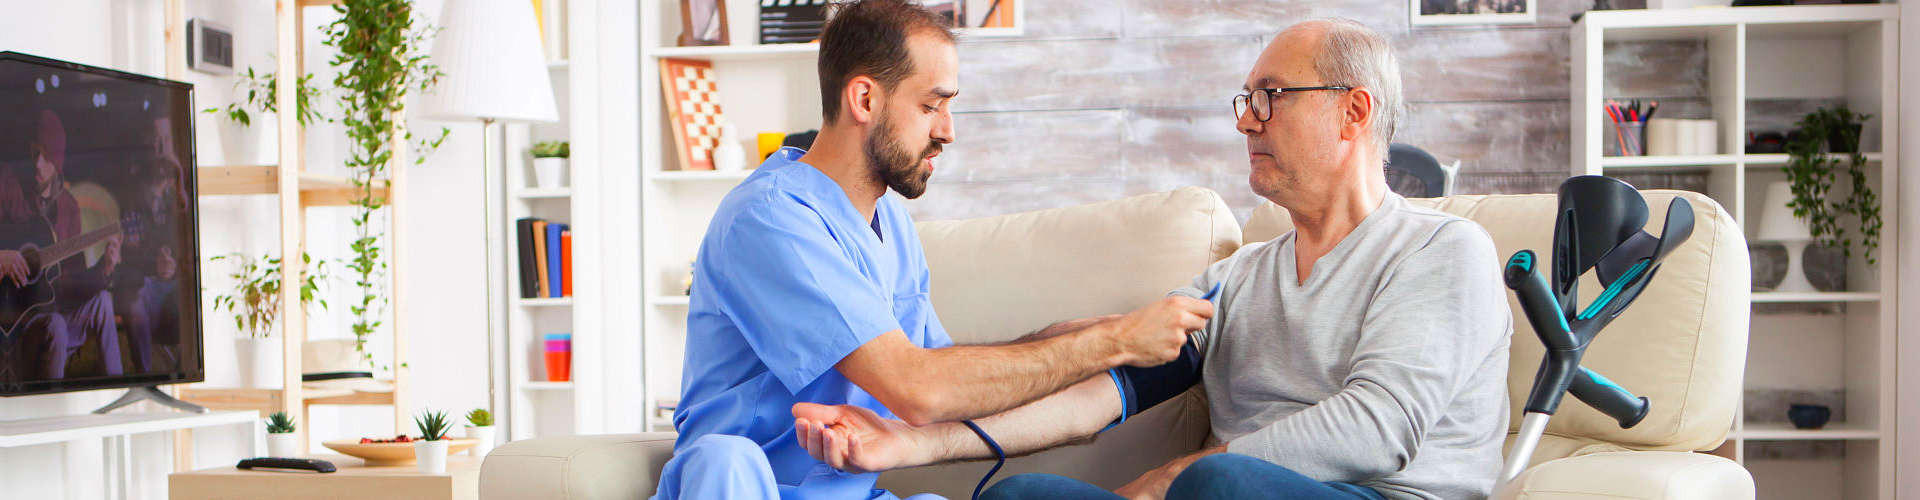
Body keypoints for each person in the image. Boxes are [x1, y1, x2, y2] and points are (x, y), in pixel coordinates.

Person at [792, 19, 1513, 500]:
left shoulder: (1442, 251)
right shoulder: (1239, 280)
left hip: (1372, 493)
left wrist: (1189, 471)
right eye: (1246, 99)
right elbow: (1097, 398)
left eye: (1271, 97)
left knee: (1218, 488)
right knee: (1019, 495)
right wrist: (913, 446)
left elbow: (1377, 430)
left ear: (1354, 113)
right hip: (1219, 493)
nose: (1245, 120)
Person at [650, 1, 1215, 500]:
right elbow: (918, 388)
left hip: (847, 492)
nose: (948, 130)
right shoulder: (769, 220)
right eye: (930, 106)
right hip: (744, 485)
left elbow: (950, 384)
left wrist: (1068, 342)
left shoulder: (889, 222)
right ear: (864, 98)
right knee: (727, 459)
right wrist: (1108, 343)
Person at [0, 110, 122, 379]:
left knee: (102, 302)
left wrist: (104, 268)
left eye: (46, 156)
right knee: (55, 325)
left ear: (58, 161)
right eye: (34, 153)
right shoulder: (8, 185)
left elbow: (71, 285)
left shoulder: (68, 207)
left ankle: (118, 388)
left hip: (52, 316)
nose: (37, 163)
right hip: (16, 329)